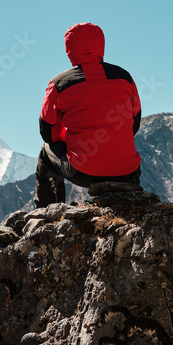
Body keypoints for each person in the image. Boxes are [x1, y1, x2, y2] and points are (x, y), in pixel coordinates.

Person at [34, 22, 142, 208]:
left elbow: (48, 132)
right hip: (128, 171)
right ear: (101, 44)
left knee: (46, 153)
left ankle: (48, 213)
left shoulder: (59, 84)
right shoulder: (125, 77)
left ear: (69, 49)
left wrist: (71, 141)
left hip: (84, 172)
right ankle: (133, 203)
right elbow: (134, 123)